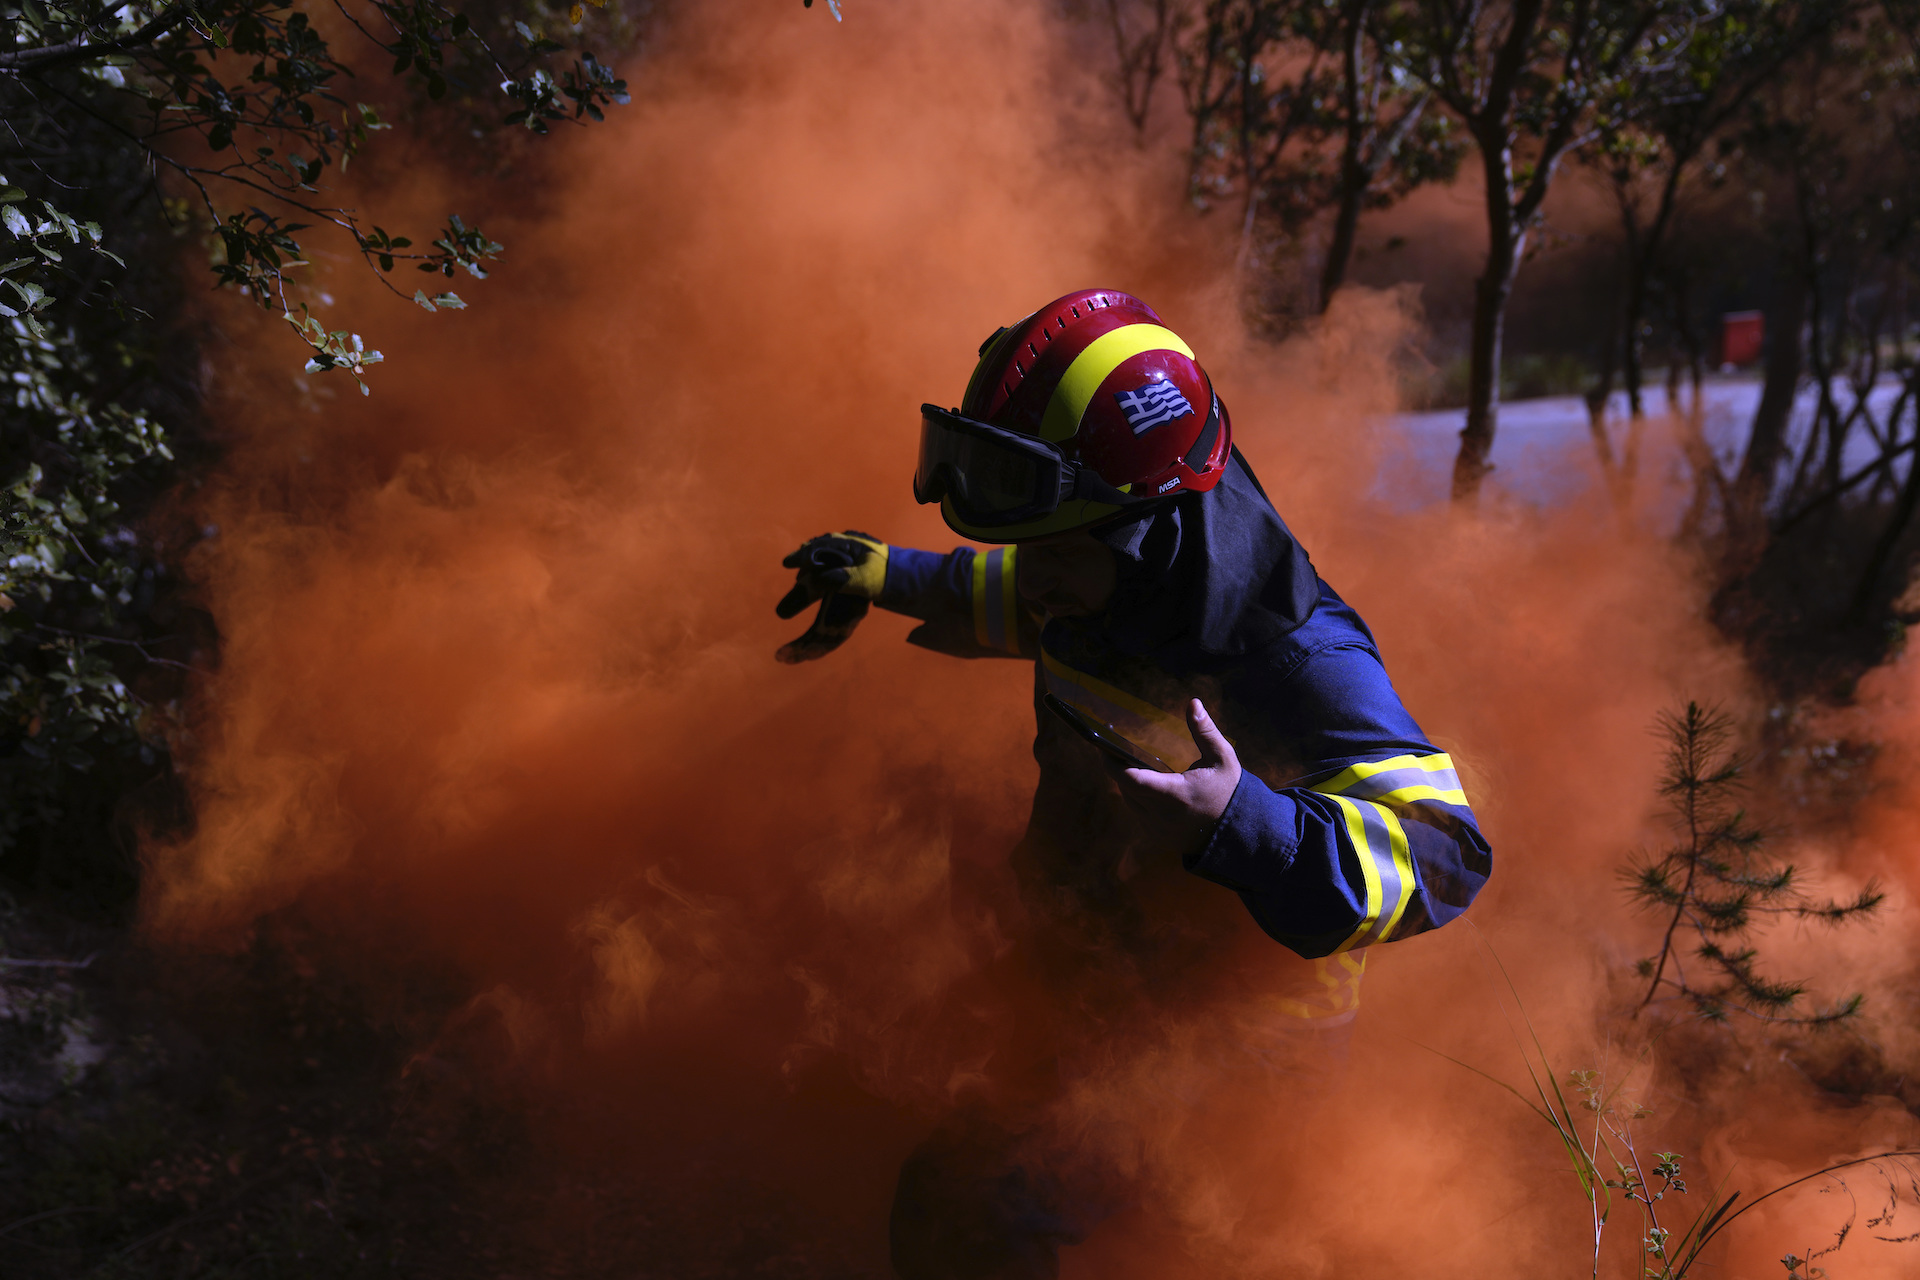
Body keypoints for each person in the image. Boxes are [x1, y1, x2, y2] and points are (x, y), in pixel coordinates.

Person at [775, 288, 1491, 1279]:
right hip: (1105, 976)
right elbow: (1016, 595)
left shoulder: (1295, 658)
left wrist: (1243, 819)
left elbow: (1446, 857)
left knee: (968, 1207)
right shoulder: (1106, 580)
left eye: (1052, 552)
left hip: (1234, 1048)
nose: (1031, 576)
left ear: (1147, 531)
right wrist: (883, 573)